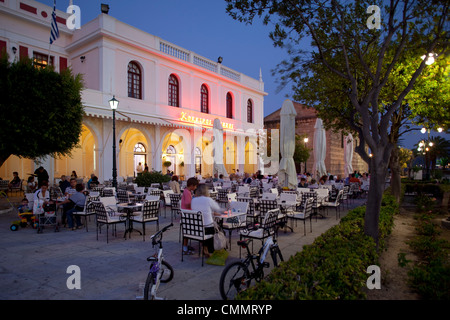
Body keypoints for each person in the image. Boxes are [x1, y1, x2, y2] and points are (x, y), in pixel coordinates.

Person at [191, 184, 226, 258]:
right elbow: (218, 209)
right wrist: (226, 210)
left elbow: (200, 211)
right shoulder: (208, 199)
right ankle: (214, 249)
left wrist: (210, 212)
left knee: (208, 226)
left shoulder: (193, 200)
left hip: (196, 228)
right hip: (207, 228)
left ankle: (205, 247)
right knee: (219, 229)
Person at [181, 177, 199, 255]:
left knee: (187, 231)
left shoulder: (186, 191)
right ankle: (185, 248)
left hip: (185, 214)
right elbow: (188, 204)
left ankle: (185, 246)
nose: (196, 188)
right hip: (187, 215)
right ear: (191, 185)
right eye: (195, 186)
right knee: (189, 231)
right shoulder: (187, 192)